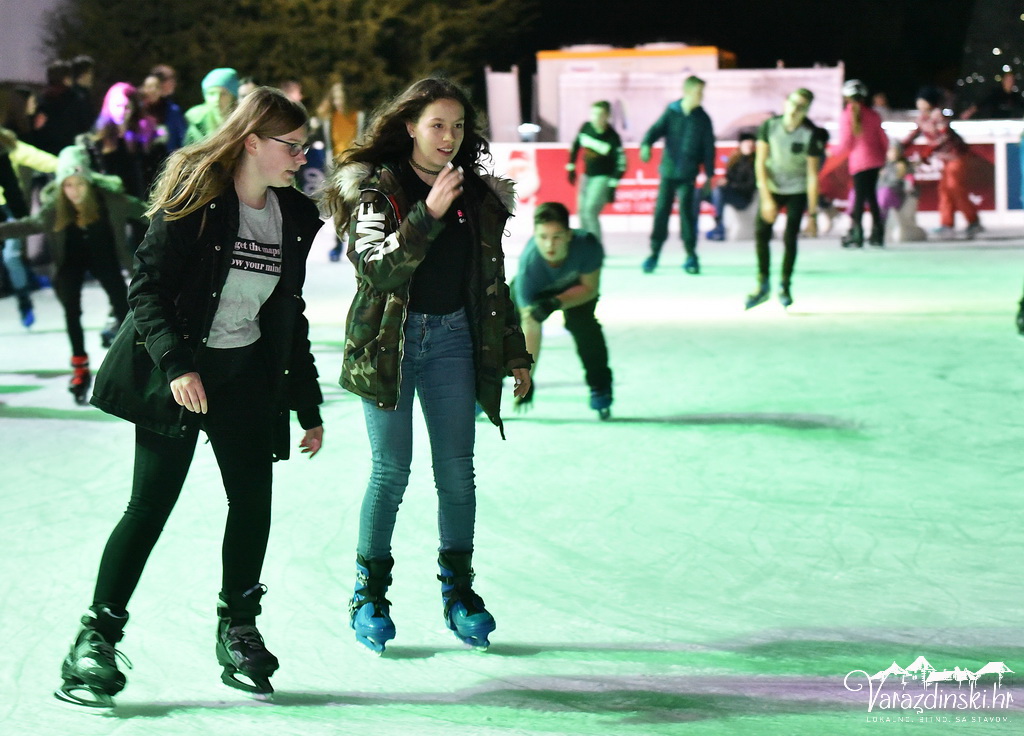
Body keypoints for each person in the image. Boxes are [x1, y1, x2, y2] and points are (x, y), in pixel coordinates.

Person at [53, 87, 325, 707]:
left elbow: (289, 313)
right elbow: (145, 287)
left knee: (253, 505)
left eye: (303, 146)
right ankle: (94, 637)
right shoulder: (198, 197)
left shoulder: (295, 216)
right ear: (253, 141)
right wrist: (175, 365)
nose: (300, 157)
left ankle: (239, 627)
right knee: (149, 507)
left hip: (247, 380)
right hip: (180, 378)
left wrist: (305, 401)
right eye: (291, 145)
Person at [321, 77, 532, 655]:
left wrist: (513, 348)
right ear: (410, 126)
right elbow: (379, 272)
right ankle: (370, 594)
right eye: (437, 124)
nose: (449, 136)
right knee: (391, 472)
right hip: (388, 346)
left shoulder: (478, 195)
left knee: (456, 472)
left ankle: (459, 594)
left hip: (454, 343)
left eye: (458, 126)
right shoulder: (377, 191)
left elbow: (491, 283)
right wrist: (428, 213)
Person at [0, 145, 143, 402]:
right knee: (71, 310)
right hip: (70, 262)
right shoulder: (56, 205)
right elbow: (31, 225)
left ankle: (130, 362)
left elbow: (146, 211)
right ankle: (80, 366)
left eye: (79, 184)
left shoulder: (109, 199)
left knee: (123, 306)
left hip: (104, 257)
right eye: (68, 185)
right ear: (60, 186)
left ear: (89, 182)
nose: (74, 191)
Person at [513, 201, 612, 419]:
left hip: (576, 291)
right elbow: (531, 330)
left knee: (584, 327)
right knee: (506, 333)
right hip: (536, 293)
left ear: (569, 235)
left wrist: (556, 302)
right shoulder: (529, 269)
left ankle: (600, 386)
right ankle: (484, 390)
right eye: (543, 237)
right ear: (534, 235)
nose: (550, 245)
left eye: (557, 236)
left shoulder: (587, 245)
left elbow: (589, 288)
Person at [746, 88, 826, 310]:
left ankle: (785, 285)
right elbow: (759, 163)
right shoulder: (769, 127)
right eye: (793, 103)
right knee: (762, 232)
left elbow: (812, 175)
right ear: (785, 103)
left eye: (801, 107)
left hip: (797, 189)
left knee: (791, 236)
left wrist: (812, 214)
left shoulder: (811, 133)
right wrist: (766, 199)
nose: (795, 110)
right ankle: (762, 284)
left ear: (807, 110)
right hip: (772, 186)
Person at [639, 75, 715, 275]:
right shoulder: (672, 112)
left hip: (688, 175)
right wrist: (646, 144)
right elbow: (655, 130)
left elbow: (709, 148)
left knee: (687, 214)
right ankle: (654, 254)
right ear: (688, 92)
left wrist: (709, 174)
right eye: (699, 92)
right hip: (669, 172)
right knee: (661, 212)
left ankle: (691, 255)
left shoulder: (703, 118)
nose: (702, 96)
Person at [902, 86, 982, 239]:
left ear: (929, 102)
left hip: (957, 156)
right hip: (945, 159)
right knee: (944, 190)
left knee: (955, 188)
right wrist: (901, 146)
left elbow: (943, 137)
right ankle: (947, 223)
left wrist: (926, 154)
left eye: (922, 99)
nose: (919, 102)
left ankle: (973, 222)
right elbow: (914, 134)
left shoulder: (938, 115)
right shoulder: (922, 118)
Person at [0, 127, 58, 327]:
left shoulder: (11, 148)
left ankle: (24, 301)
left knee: (11, 257)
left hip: (9, 213)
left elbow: (50, 162)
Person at [836, 79, 889, 248]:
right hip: (875, 160)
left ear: (846, 97)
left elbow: (846, 143)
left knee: (859, 198)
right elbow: (883, 139)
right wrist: (883, 157)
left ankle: (856, 232)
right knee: (871, 196)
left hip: (859, 162)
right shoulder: (873, 115)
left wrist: (831, 151)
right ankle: (878, 232)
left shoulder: (846, 115)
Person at [566, 100, 625, 243]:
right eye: (593, 114)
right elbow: (575, 146)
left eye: (599, 115)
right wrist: (571, 167)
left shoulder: (612, 138)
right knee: (581, 211)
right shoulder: (586, 128)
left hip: (603, 177)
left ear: (607, 116)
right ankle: (584, 243)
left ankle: (595, 246)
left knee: (590, 210)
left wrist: (612, 185)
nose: (595, 118)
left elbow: (621, 164)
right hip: (586, 175)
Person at [316, 81, 363, 262]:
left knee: (355, 206)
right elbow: (328, 143)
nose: (338, 102)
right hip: (336, 167)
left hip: (355, 167)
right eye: (335, 99)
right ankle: (337, 244)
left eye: (341, 99)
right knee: (338, 207)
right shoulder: (330, 118)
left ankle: (356, 244)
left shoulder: (358, 116)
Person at [705, 132, 756, 240]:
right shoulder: (734, 160)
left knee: (719, 192)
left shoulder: (754, 162)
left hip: (743, 198)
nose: (749, 146)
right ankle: (692, 226)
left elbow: (750, 185)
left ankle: (719, 227)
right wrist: (725, 181)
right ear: (741, 144)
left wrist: (731, 185)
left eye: (751, 144)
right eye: (746, 143)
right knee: (699, 193)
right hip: (730, 192)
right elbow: (729, 177)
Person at [184, 68, 239, 145]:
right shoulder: (195, 123)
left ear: (233, 96)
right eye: (212, 93)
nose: (217, 99)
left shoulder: (242, 121)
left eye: (223, 94)